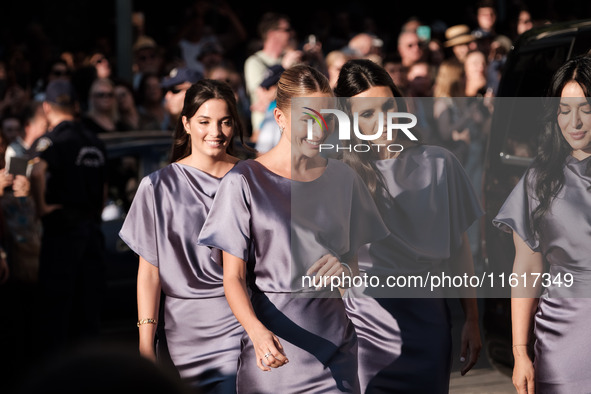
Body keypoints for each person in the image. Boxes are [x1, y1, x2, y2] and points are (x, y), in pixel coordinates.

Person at [198, 65, 388, 393]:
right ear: (280, 118)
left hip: (336, 351)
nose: (319, 128)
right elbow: (233, 278)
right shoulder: (244, 181)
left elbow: (354, 269)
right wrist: (256, 333)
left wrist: (344, 270)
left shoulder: (344, 178)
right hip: (274, 351)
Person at [334, 59, 483, 393]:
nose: (383, 120)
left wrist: (472, 320)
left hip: (429, 319)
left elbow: (460, 250)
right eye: (367, 114)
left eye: (388, 107)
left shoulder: (441, 163)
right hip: (367, 321)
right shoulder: (339, 174)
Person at [119, 79, 247, 392]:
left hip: (241, 329)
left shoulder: (252, 178)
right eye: (204, 122)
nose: (215, 133)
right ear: (186, 123)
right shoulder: (157, 187)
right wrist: (146, 347)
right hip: (181, 336)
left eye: (225, 122)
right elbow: (149, 273)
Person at [493, 55, 591, 393]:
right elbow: (526, 271)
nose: (574, 122)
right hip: (563, 342)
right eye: (565, 109)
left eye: (585, 108)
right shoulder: (540, 181)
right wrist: (520, 352)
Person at [30, 80, 107, 353]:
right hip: (91, 232)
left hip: (63, 232)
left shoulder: (53, 140)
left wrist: (41, 208)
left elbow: (37, 171)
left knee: (57, 313)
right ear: (76, 106)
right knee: (89, 310)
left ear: (47, 107)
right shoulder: (95, 140)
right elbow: (104, 190)